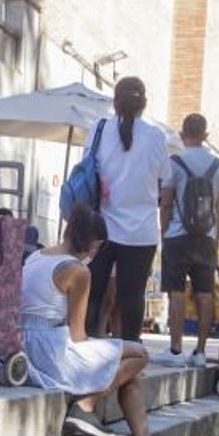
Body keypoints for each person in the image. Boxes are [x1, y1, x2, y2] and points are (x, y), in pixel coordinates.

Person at [21, 203, 189, 436]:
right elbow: (77, 335)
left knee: (127, 372)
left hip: (26, 343)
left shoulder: (36, 256)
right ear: (92, 244)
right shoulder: (77, 270)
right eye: (98, 248)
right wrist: (106, 348)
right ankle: (86, 406)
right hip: (50, 351)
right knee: (138, 355)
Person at [85, 77, 168, 343]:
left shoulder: (98, 129)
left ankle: (86, 352)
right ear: (144, 103)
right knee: (132, 296)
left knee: (94, 293)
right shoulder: (157, 137)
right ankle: (131, 356)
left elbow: (86, 173)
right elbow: (164, 182)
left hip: (101, 227)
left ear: (115, 102)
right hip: (142, 231)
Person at [153, 113, 219, 367]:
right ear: (206, 136)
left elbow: (166, 202)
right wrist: (215, 242)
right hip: (206, 237)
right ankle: (201, 352)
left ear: (183, 135)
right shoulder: (218, 166)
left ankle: (175, 350)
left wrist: (164, 233)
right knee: (205, 293)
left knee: (176, 291)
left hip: (177, 235)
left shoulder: (175, 162)